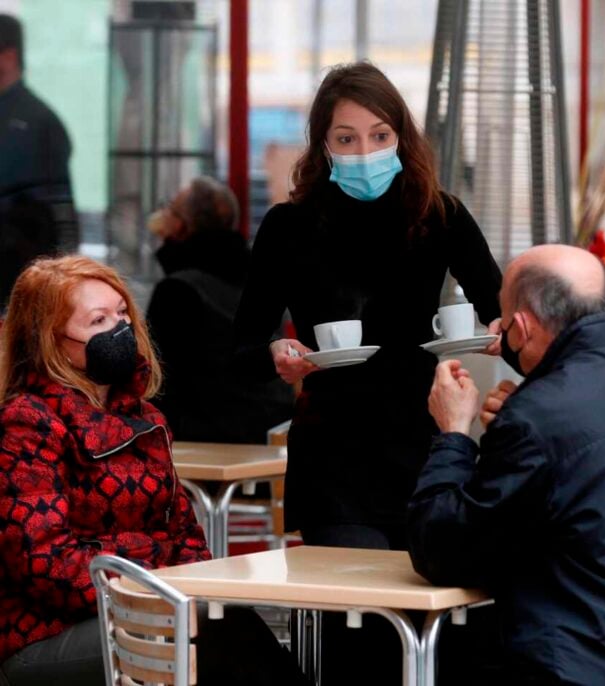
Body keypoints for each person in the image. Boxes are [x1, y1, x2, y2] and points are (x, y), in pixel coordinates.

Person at [233, 61, 502, 685]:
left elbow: (500, 310)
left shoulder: (441, 216)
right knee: (360, 635)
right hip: (334, 455)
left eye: (380, 135)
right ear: (323, 145)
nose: (365, 150)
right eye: (347, 138)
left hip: (425, 447)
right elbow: (245, 340)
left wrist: (496, 339)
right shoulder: (290, 226)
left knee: (444, 631)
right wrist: (276, 353)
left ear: (401, 138)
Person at [408, 244, 605, 685]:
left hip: (602, 664)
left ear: (520, 328)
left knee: (415, 654)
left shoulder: (539, 417)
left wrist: (453, 435)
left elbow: (442, 552)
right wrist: (523, 420)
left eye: (503, 323)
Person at [0, 256, 307, 686]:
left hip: (146, 612)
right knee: (216, 633)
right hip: (43, 638)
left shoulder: (147, 419)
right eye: (99, 320)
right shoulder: (27, 422)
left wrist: (155, 580)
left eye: (123, 312)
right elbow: (45, 564)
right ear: (52, 341)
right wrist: (154, 580)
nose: (119, 328)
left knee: (224, 625)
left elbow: (187, 540)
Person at [145, 176, 294, 443]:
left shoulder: (178, 291)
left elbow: (157, 380)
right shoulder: (262, 278)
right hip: (271, 430)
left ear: (181, 226)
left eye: (169, 208)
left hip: (205, 441)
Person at [0, 14, 78, 312]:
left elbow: (61, 213)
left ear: (8, 56)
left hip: (19, 285)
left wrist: (63, 281)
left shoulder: (39, 122)